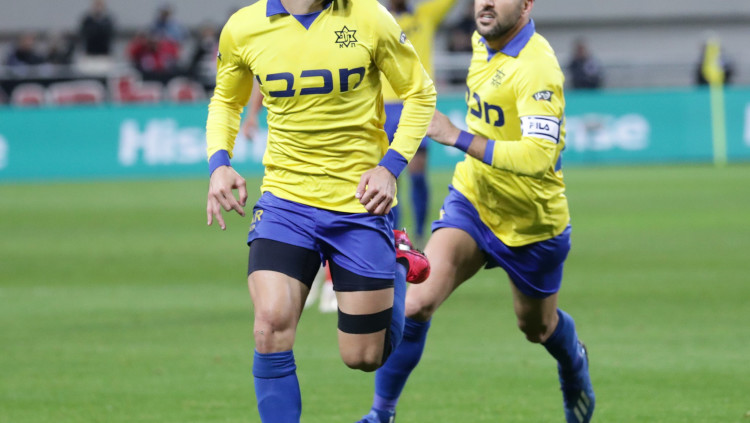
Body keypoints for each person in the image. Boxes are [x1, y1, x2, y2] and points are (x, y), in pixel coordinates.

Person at [356, 0, 595, 422]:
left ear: (526, 5)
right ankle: (380, 414)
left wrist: (457, 136)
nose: (485, 2)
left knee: (537, 328)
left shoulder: (537, 67)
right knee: (416, 303)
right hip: (473, 201)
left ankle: (574, 363)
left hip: (532, 222)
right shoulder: (481, 41)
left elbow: (538, 157)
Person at [204, 0, 436, 421]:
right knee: (270, 325)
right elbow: (226, 99)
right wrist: (219, 162)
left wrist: (390, 167)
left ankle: (398, 260)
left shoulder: (369, 17)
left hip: (358, 205)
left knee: (363, 357)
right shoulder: (244, 27)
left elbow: (420, 93)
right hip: (285, 203)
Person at [382, 0, 459, 247]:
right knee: (389, 176)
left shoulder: (425, 16)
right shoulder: (376, 16)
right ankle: (394, 234)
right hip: (383, 106)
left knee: (417, 175)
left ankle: (418, 231)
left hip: (415, 103)